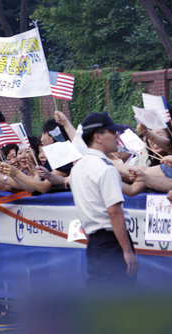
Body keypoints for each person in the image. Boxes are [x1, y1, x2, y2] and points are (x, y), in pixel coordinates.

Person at [69, 112, 138, 287]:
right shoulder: (106, 169)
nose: (116, 136)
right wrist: (127, 251)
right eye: (112, 131)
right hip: (111, 243)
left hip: (94, 243)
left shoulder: (77, 169)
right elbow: (114, 212)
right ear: (98, 136)